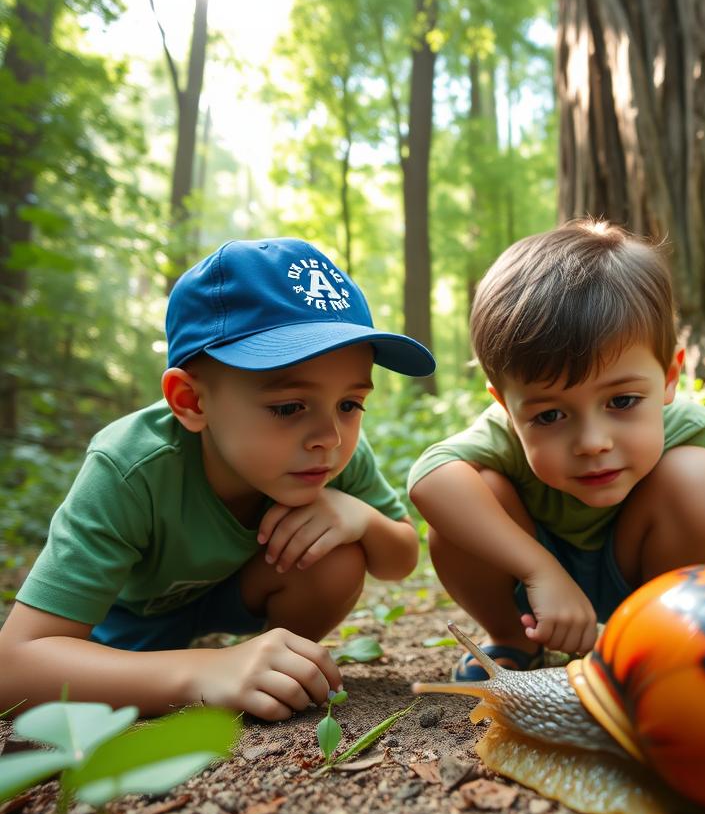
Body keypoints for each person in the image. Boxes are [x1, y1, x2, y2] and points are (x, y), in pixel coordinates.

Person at [0, 237, 435, 720]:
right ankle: (227, 671)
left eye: (350, 404)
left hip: (235, 597)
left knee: (339, 558)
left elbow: (400, 558)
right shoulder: (129, 467)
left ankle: (274, 666)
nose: (329, 436)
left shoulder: (335, 451)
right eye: (289, 406)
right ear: (191, 401)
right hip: (124, 629)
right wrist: (202, 672)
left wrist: (361, 518)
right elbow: (13, 664)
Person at [408, 219, 705, 680]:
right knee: (463, 505)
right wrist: (540, 571)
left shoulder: (690, 429)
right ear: (505, 404)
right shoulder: (502, 435)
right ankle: (513, 642)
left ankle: (661, 643)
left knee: (703, 479)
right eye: (549, 416)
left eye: (621, 401)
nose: (592, 443)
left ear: (668, 377)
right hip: (535, 599)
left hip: (653, 578)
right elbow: (428, 477)